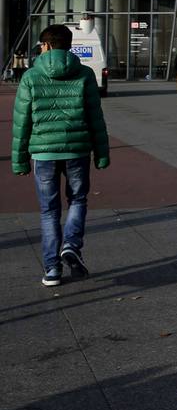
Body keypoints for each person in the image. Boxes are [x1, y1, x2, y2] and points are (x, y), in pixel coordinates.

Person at [11, 24, 111, 286]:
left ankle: (52, 269)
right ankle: (71, 245)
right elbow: (96, 117)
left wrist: (19, 159)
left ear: (45, 45)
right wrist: (101, 153)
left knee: (49, 211)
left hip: (43, 153)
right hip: (77, 150)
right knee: (77, 199)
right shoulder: (85, 74)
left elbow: (22, 122)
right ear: (69, 45)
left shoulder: (31, 76)